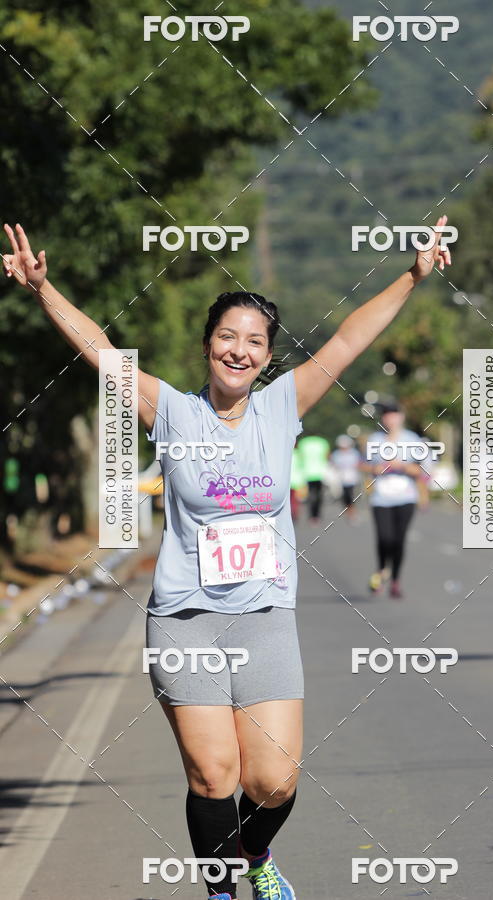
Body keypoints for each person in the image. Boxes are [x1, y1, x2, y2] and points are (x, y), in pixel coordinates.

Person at [2, 217, 451, 900]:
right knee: (214, 775)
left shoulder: (283, 408)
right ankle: (221, 891)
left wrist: (412, 276)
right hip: (187, 619)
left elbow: (351, 338)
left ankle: (255, 851)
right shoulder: (174, 413)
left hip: (263, 616)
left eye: (254, 342)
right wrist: (44, 290)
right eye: (226, 337)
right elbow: (100, 350)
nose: (238, 351)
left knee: (273, 779)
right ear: (208, 346)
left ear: (267, 357)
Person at [362, 400, 427, 599]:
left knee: (399, 540)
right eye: (386, 415)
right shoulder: (374, 439)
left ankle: (396, 581)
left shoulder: (412, 439)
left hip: (406, 497)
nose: (389, 418)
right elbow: (362, 464)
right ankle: (382, 570)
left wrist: (402, 466)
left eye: (393, 414)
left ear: (401, 417)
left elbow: (420, 470)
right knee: (384, 538)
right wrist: (375, 468)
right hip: (381, 498)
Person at [295, 433, 330, 524]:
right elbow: (327, 456)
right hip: (320, 473)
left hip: (307, 473)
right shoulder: (323, 442)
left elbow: (299, 457)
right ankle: (317, 515)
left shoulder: (303, 442)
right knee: (319, 495)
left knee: (310, 495)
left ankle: (311, 515)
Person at [329, 434, 361, 521]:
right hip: (341, 479)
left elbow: (358, 464)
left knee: (351, 496)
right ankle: (349, 510)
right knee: (345, 497)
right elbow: (333, 464)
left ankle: (352, 512)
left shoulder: (354, 453)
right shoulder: (336, 454)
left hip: (352, 478)